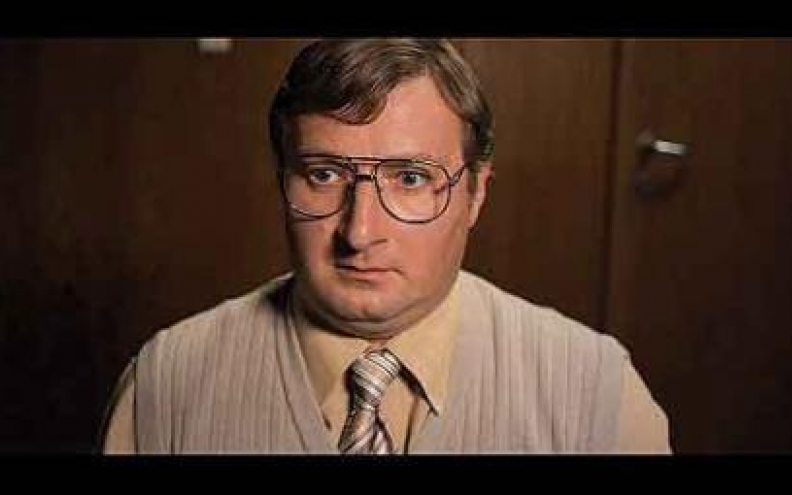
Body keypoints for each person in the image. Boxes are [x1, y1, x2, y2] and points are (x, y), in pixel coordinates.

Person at [101, 38, 670, 454]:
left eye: (412, 178)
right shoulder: (165, 388)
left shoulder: (595, 397)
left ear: (476, 194)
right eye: (324, 175)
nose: (360, 232)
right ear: (283, 182)